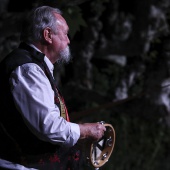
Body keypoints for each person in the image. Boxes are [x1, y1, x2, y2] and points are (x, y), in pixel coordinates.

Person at [0, 5, 106, 170]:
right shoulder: (28, 69)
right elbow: (48, 125)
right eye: (65, 34)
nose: (69, 40)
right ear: (48, 35)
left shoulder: (35, 66)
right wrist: (84, 130)